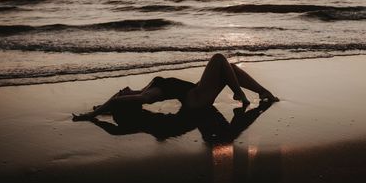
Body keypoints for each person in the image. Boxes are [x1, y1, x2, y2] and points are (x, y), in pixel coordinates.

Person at [72, 53, 279, 121]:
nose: (123, 88)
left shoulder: (149, 87)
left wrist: (99, 107)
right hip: (196, 99)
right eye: (121, 92)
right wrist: (93, 114)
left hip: (196, 91)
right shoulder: (149, 94)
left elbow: (118, 100)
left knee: (229, 67)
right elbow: (125, 101)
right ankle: (240, 93)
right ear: (126, 99)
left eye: (120, 91)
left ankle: (262, 91)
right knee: (219, 59)